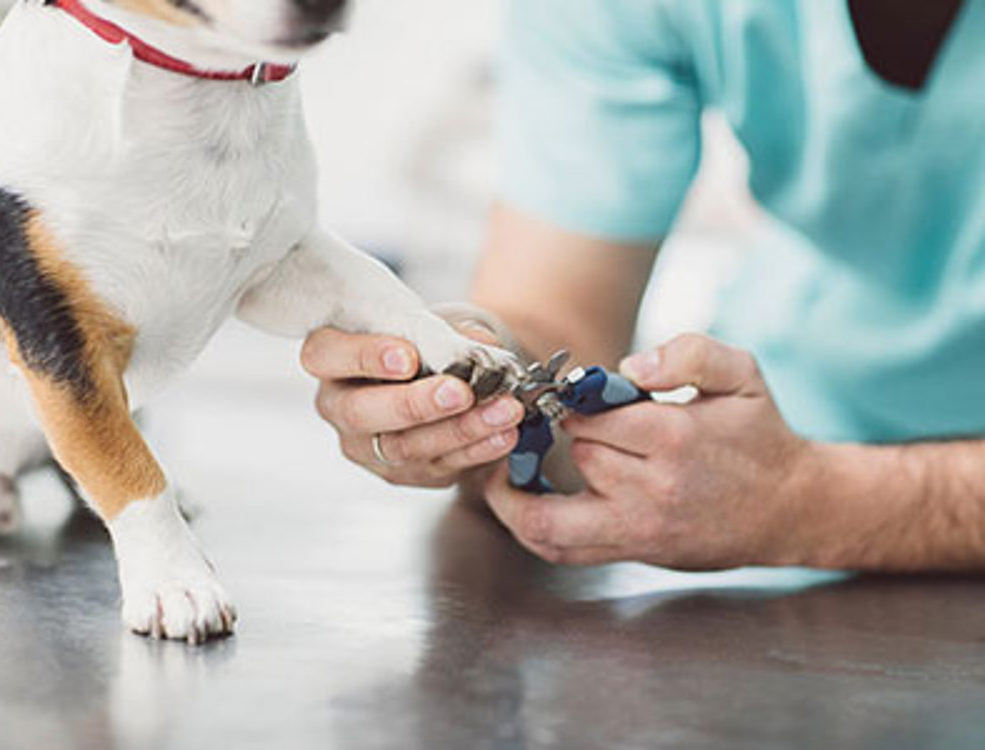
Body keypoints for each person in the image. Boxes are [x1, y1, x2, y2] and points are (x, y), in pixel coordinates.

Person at [301, 0, 985, 571]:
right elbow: (557, 314)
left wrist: (817, 501)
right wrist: (470, 375)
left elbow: (794, 501)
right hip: (778, 440)